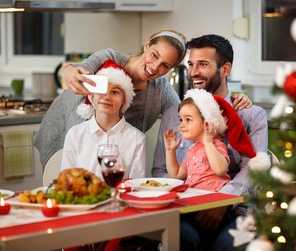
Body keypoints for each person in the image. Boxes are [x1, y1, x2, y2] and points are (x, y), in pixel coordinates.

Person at [34, 29, 252, 170]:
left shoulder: (160, 90)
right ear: (147, 45)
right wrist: (70, 71)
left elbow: (190, 110)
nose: (155, 67)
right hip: (72, 129)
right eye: (155, 55)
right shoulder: (109, 57)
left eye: (165, 66)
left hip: (112, 153)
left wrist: (230, 99)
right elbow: (80, 70)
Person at [152, 34, 269, 250]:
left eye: (203, 64)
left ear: (225, 69)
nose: (194, 72)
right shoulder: (174, 115)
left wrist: (221, 202)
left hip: (239, 209)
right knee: (180, 239)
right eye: (191, 64)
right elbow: (160, 170)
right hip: (186, 207)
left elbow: (253, 170)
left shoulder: (250, 115)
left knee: (227, 247)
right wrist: (190, 199)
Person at [61, 59, 146, 180]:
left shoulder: (137, 139)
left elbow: (136, 184)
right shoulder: (74, 135)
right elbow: (67, 181)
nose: (107, 97)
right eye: (101, 90)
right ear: (92, 95)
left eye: (115, 92)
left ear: (124, 100)